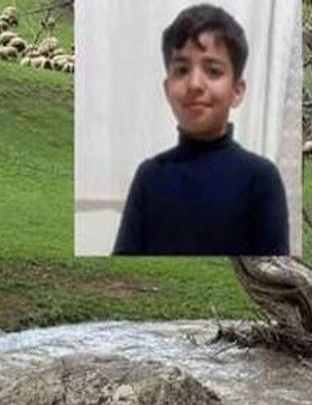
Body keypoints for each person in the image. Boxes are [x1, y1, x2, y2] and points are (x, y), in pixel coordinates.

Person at [112, 3, 289, 256]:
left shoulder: (260, 179)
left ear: (237, 91)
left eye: (213, 71)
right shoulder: (149, 177)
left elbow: (275, 271)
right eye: (182, 70)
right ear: (167, 89)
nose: (194, 84)